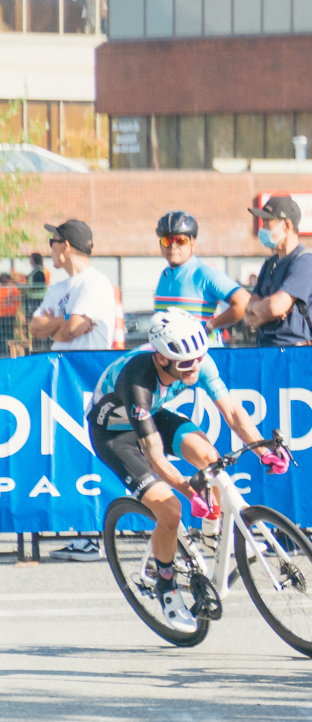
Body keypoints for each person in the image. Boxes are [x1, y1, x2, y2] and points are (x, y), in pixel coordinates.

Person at [85, 312, 278, 623]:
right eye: (186, 364)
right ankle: (166, 586)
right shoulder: (137, 380)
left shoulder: (196, 360)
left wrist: (262, 449)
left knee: (210, 458)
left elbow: (232, 412)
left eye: (199, 359)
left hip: (153, 415)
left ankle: (212, 534)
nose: (195, 368)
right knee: (170, 509)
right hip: (114, 435)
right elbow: (154, 457)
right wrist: (189, 491)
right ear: (162, 358)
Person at [149, 211, 251, 339]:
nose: (173, 246)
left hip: (205, 350)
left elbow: (244, 302)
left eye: (180, 240)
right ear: (160, 245)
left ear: (192, 244)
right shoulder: (165, 275)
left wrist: (210, 326)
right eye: (167, 241)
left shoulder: (204, 273)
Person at [242, 196, 312, 347]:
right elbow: (248, 316)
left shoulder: (305, 262)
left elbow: (274, 306)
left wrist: (262, 308)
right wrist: (264, 310)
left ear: (286, 226)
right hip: (265, 348)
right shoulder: (270, 264)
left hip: (295, 350)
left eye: (267, 223)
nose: (262, 229)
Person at [28, 220, 121, 353]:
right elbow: (35, 328)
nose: (51, 249)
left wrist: (52, 328)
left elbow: (72, 329)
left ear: (65, 246)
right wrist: (66, 319)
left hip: (85, 365)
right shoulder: (57, 288)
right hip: (61, 363)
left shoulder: (95, 281)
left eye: (52, 242)